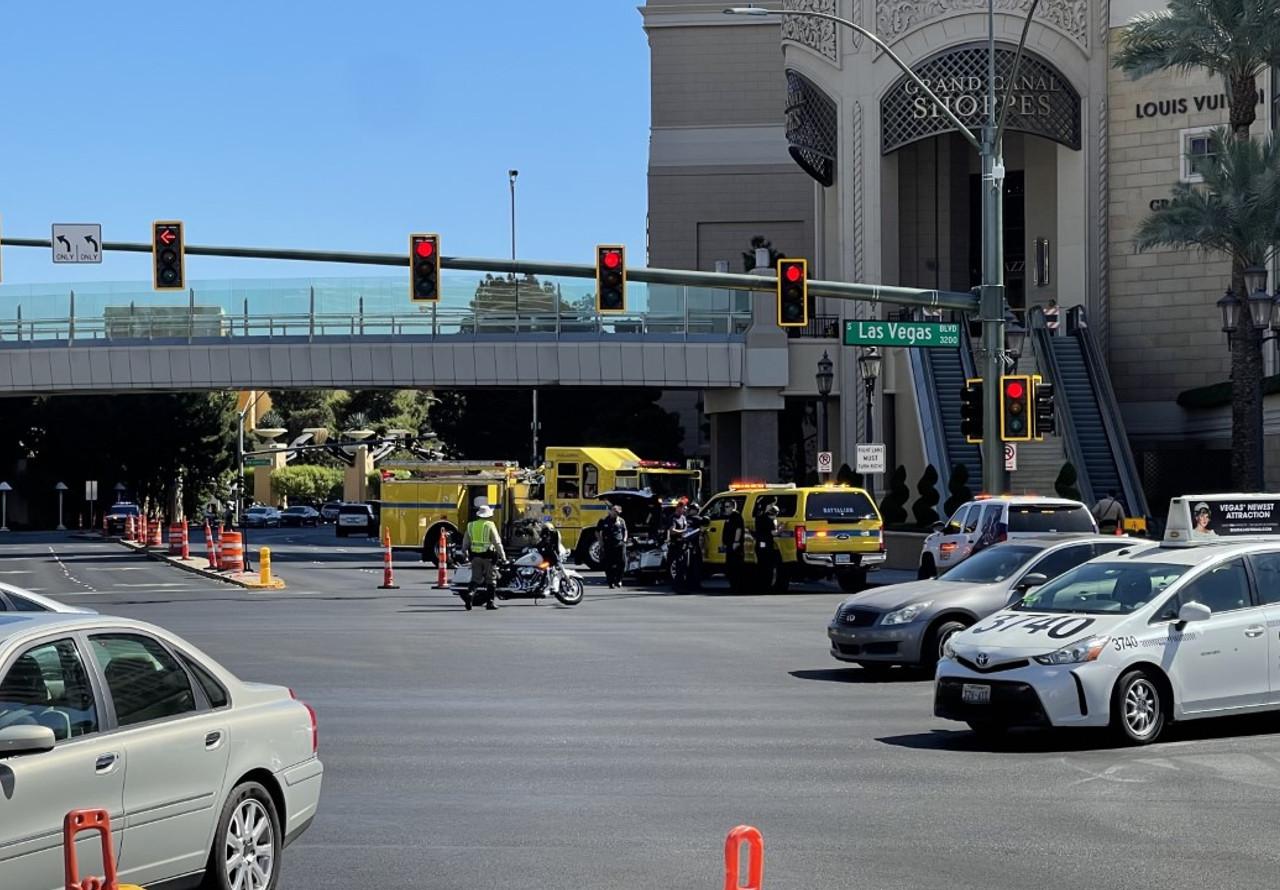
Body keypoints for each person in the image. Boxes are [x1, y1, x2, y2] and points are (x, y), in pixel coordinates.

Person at [462, 504, 506, 611]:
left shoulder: (471, 525)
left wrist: (465, 553)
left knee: (475, 579)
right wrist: (503, 556)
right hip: (488, 557)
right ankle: (490, 603)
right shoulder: (490, 525)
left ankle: (470, 594)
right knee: (491, 580)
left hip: (475, 557)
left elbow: (465, 543)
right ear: (488, 515)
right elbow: (497, 542)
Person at [597, 503, 628, 588]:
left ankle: (619, 580)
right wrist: (600, 542)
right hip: (608, 545)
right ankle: (610, 582)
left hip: (619, 544)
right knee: (608, 564)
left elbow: (625, 531)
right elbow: (597, 531)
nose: (615, 513)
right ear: (610, 511)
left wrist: (624, 539)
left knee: (622, 562)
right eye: (614, 511)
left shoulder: (621, 521)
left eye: (617, 512)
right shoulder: (603, 521)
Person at [754, 503, 780, 585]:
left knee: (761, 564)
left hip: (759, 545)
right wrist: (781, 529)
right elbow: (774, 533)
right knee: (768, 566)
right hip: (767, 546)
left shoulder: (759, 518)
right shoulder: (770, 521)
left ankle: (760, 582)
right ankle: (767, 583)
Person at [723, 501, 746, 591]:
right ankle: (733, 585)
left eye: (728, 506)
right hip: (729, 545)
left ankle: (738, 586)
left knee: (736, 566)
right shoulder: (729, 517)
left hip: (735, 545)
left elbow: (738, 529)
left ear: (733, 507)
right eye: (725, 507)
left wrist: (736, 542)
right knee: (730, 566)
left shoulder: (736, 516)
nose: (726, 508)